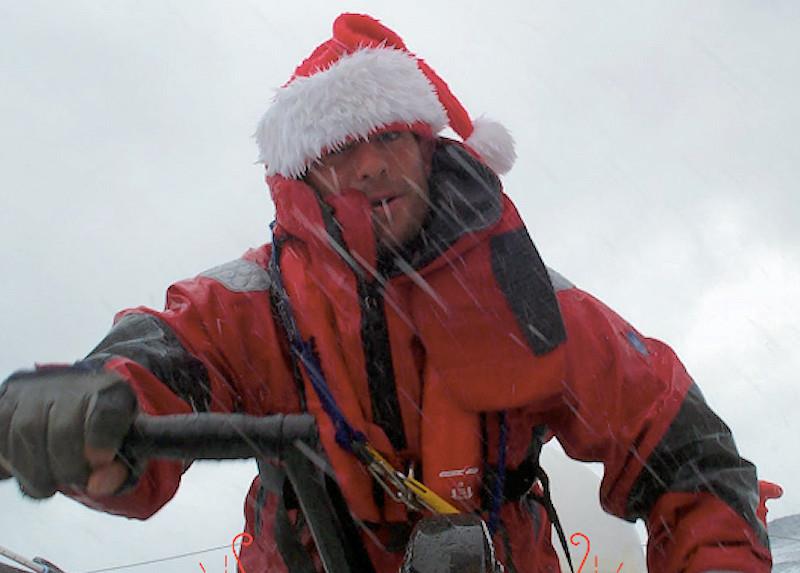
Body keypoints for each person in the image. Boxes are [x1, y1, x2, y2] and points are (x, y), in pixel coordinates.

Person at [0, 13, 772, 573]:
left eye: (388, 139)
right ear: (299, 175)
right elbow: (166, 352)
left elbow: (689, 458)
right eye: (338, 149)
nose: (367, 167)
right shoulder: (251, 302)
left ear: (429, 152)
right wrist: (94, 417)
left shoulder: (536, 302)